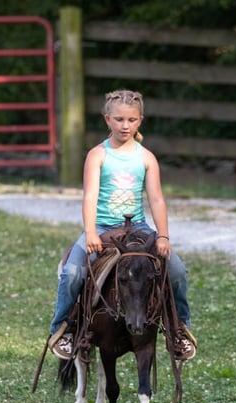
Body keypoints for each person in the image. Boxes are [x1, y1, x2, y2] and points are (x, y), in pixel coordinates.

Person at [47, 89, 196, 361]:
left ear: (140, 121)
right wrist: (91, 231)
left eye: (131, 120)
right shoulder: (98, 155)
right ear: (107, 120)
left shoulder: (146, 158)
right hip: (103, 227)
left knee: (177, 271)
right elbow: (90, 195)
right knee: (73, 273)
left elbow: (157, 199)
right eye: (118, 119)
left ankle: (179, 329)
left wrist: (162, 236)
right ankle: (63, 330)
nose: (124, 125)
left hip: (138, 228)